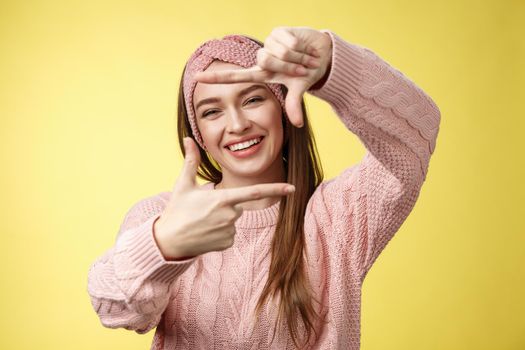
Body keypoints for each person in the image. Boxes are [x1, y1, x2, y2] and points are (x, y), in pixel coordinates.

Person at [87, 26, 441, 349]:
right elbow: (113, 308)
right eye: (212, 112)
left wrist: (334, 65)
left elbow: (415, 135)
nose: (238, 124)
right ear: (199, 136)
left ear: (284, 107)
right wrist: (164, 245)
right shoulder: (161, 217)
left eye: (253, 99)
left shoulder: (339, 217)